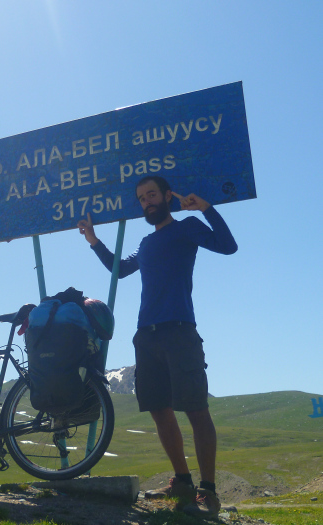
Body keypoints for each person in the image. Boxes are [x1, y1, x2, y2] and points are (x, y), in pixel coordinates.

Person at [77, 175, 237, 518]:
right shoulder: (146, 243)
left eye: (152, 195)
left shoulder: (187, 227)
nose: (147, 201)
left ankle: (208, 491)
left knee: (196, 409)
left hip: (180, 331)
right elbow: (119, 270)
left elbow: (228, 246)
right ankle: (182, 481)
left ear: (167, 196)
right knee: (158, 409)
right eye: (141, 198)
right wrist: (93, 240)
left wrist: (206, 208)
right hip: (145, 335)